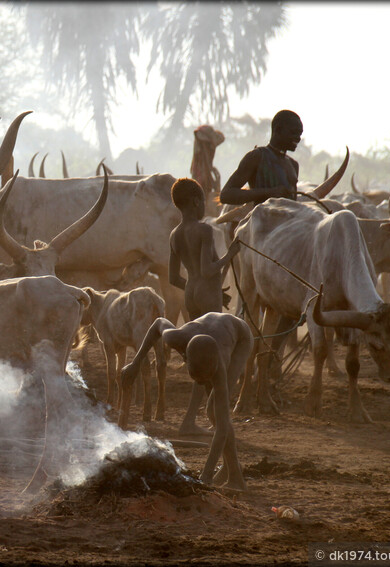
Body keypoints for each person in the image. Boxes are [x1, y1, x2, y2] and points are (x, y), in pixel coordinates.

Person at [119, 313, 252, 491]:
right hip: (214, 330)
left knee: (214, 410)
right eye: (198, 378)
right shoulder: (175, 337)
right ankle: (230, 469)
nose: (204, 383)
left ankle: (236, 477)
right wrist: (135, 364)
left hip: (241, 336)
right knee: (214, 411)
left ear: (214, 368)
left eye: (208, 378)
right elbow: (157, 323)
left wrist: (206, 475)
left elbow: (221, 427)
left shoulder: (220, 363)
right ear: (186, 359)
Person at [164, 177, 239, 435]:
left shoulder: (175, 235)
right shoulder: (204, 230)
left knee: (199, 355)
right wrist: (231, 254)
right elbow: (208, 270)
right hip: (206, 291)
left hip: (190, 293)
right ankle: (209, 418)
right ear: (197, 202)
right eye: (204, 202)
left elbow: (174, 278)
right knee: (212, 355)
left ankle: (203, 418)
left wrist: (201, 287)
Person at [219, 110, 303, 205]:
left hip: (291, 219)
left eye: (300, 134)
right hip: (262, 218)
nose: (298, 138)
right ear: (278, 130)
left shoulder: (293, 165)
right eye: (294, 133)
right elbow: (226, 195)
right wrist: (269, 192)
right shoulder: (257, 156)